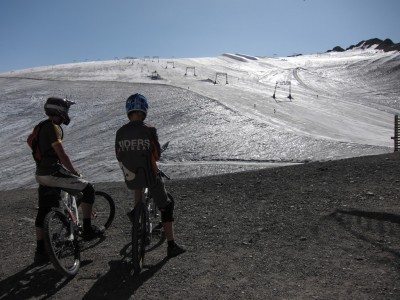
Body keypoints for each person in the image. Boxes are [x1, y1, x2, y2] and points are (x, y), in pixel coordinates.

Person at [31, 97, 103, 264]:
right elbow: (62, 155)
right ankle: (87, 230)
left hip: (41, 174)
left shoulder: (40, 127)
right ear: (59, 111)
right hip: (52, 173)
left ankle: (40, 251)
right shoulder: (53, 128)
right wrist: (74, 172)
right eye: (66, 110)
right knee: (88, 189)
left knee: (43, 211)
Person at [115, 93, 185, 258]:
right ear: (144, 109)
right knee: (167, 205)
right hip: (150, 175)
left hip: (130, 177)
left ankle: (136, 212)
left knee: (137, 183)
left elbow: (118, 155)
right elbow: (157, 154)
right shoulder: (149, 130)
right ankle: (171, 245)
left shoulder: (120, 132)